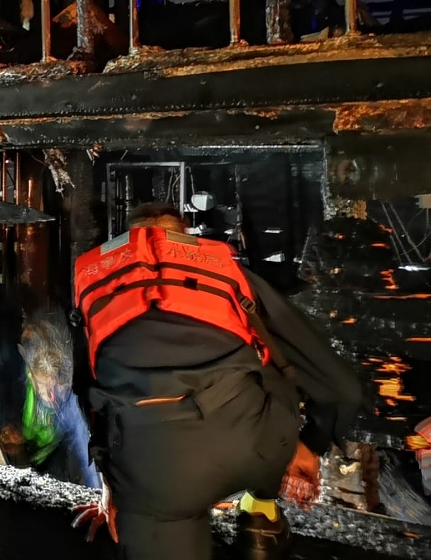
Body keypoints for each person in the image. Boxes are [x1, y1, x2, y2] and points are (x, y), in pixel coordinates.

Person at [70, 202, 363, 560]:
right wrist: (308, 444)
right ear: (185, 238)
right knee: (271, 359)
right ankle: (260, 517)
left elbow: (89, 394)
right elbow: (343, 389)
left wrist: (113, 487)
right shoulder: (229, 277)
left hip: (153, 472)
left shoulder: (94, 291)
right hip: (254, 448)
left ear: (126, 240)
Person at [0, 309, 100, 487]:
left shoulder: (73, 404)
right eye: (45, 387)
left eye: (58, 387)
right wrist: (6, 422)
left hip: (49, 462)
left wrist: (98, 492)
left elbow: (86, 456)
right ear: (31, 376)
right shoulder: (16, 361)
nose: (53, 397)